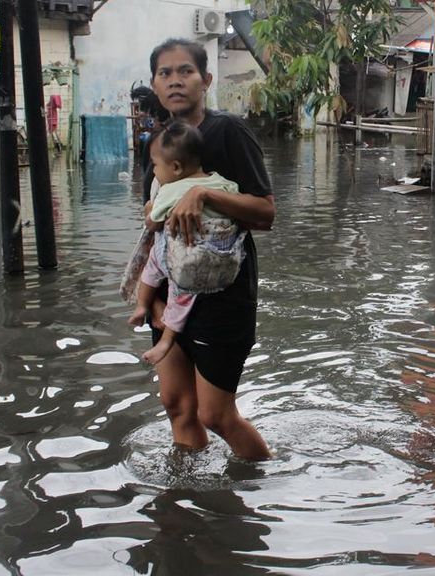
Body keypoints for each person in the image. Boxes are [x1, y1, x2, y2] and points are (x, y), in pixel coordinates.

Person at [126, 38, 275, 461]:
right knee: (177, 407)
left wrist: (201, 194)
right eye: (165, 73)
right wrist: (150, 296)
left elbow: (265, 213)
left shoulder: (227, 132)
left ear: (206, 80)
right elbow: (152, 221)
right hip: (171, 289)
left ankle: (260, 482)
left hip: (223, 295)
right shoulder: (153, 145)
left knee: (216, 415)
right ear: (155, 85)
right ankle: (190, 501)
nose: (175, 81)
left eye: (185, 71)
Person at [128, 121, 245, 366]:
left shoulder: (170, 190)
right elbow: (234, 202)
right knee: (184, 297)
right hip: (216, 254)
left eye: (156, 165)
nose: (155, 171)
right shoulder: (220, 182)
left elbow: (153, 223)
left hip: (181, 256)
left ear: (176, 167)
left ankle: (145, 311)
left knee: (155, 272)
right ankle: (166, 338)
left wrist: (150, 208)